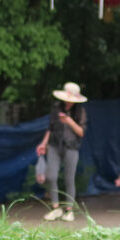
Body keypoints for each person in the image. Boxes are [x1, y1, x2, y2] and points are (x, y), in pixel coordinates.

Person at [36, 82, 88, 222]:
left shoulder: (79, 111)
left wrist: (69, 121)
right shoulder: (56, 108)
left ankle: (69, 210)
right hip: (54, 145)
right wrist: (43, 143)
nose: (69, 102)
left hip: (71, 147)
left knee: (69, 178)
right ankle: (55, 208)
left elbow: (81, 132)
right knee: (51, 176)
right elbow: (50, 128)